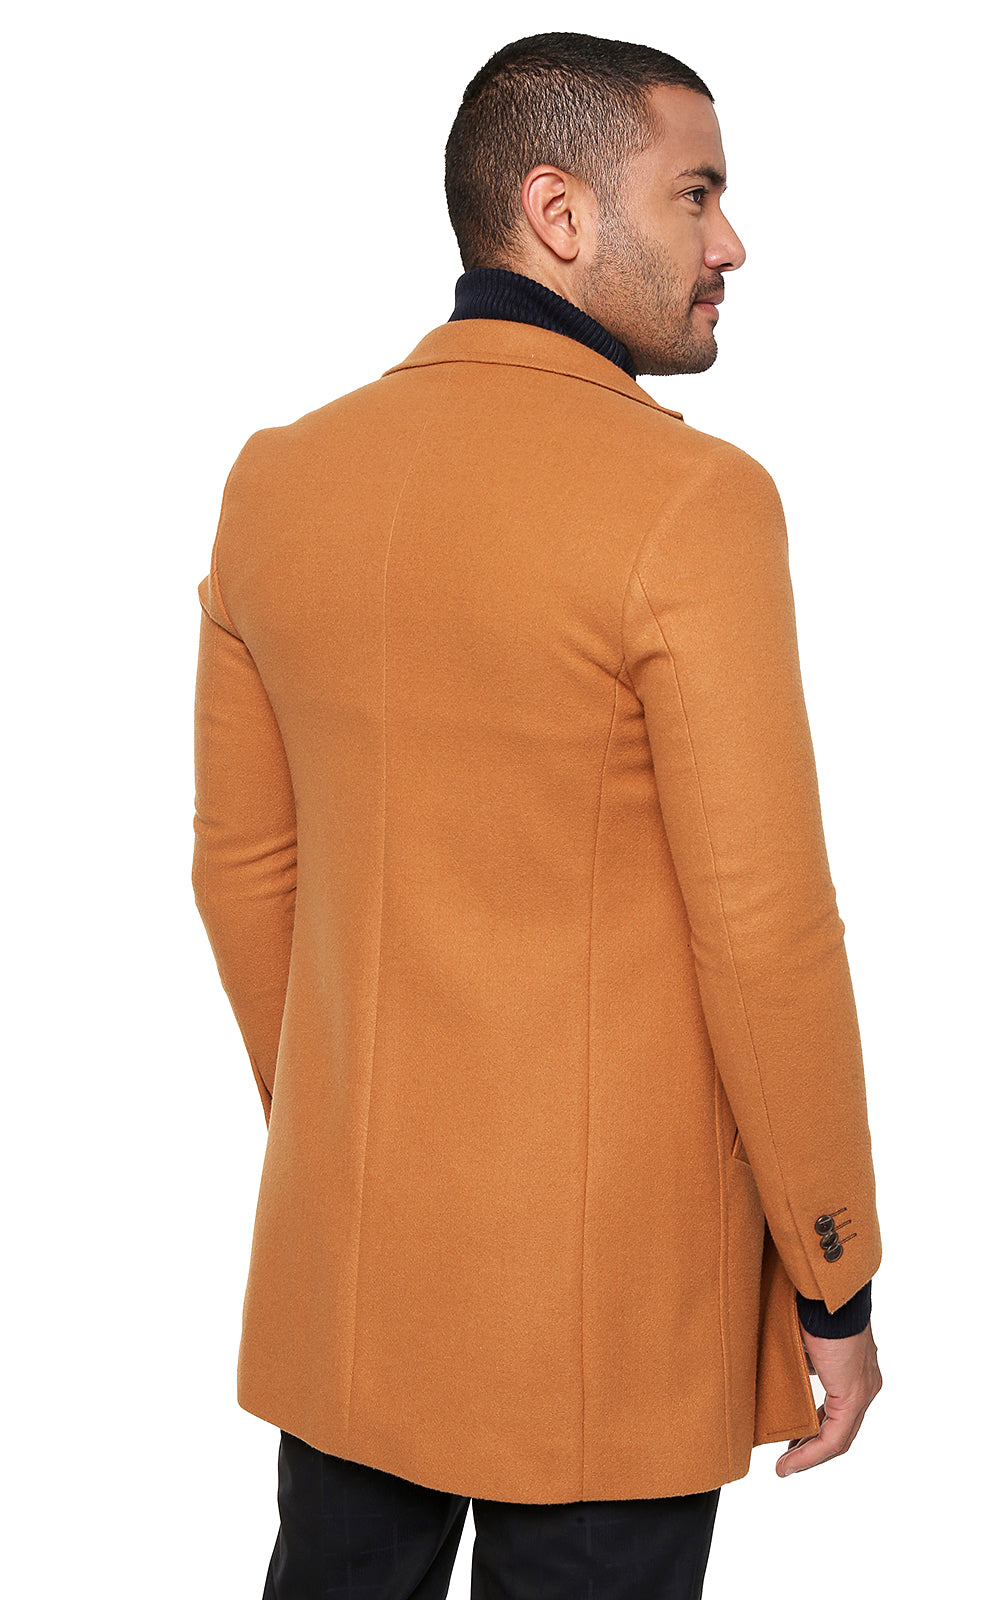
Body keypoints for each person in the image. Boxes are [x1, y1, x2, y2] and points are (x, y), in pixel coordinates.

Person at [193, 31, 883, 1600]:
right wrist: (832, 1271)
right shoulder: (690, 503)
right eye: (697, 193)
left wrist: (354, 1150)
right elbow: (765, 934)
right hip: (609, 1318)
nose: (731, 243)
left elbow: (243, 871)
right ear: (559, 214)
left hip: (353, 1273)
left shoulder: (277, 482)